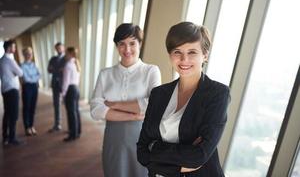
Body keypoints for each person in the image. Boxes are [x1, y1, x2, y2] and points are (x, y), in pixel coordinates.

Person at [137, 22, 230, 176]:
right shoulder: (159, 94)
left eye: (192, 52)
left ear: (205, 55)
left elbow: (199, 156)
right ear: (170, 55)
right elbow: (141, 151)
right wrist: (181, 158)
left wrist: (155, 148)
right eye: (177, 51)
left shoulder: (217, 94)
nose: (184, 59)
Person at [90, 23, 161, 177]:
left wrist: (114, 105)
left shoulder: (151, 71)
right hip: (113, 138)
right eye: (122, 44)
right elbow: (95, 110)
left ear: (140, 44)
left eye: (132, 43)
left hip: (143, 138)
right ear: (116, 46)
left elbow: (154, 105)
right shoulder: (105, 74)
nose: (127, 49)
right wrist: (133, 114)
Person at [0, 40, 24, 146]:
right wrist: (15, 73)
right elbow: (20, 72)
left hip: (5, 89)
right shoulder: (10, 60)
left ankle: (5, 137)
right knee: (13, 114)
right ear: (9, 48)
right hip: (12, 89)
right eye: (14, 47)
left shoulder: (1, 60)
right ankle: (12, 138)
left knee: (7, 113)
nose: (15, 48)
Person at [62, 47, 81, 142]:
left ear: (70, 54)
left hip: (70, 90)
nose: (65, 55)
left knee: (71, 113)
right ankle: (77, 131)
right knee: (76, 111)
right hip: (76, 89)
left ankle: (72, 134)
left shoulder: (68, 65)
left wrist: (63, 94)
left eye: (66, 53)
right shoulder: (76, 63)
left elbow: (66, 82)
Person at [20, 47, 40, 136]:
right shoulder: (22, 66)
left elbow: (39, 75)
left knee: (33, 107)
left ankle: (32, 126)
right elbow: (25, 78)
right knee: (26, 107)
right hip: (27, 87)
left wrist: (32, 78)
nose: (29, 55)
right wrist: (33, 77)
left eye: (30, 53)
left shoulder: (34, 65)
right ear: (24, 55)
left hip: (34, 87)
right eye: (27, 53)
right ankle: (27, 127)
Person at [47, 42, 65, 132]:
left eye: (60, 48)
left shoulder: (66, 59)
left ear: (63, 48)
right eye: (57, 48)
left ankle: (71, 127)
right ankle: (57, 124)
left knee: (69, 106)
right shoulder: (53, 59)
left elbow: (65, 70)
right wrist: (57, 69)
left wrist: (54, 69)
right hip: (55, 84)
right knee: (56, 105)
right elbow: (49, 70)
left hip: (65, 85)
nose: (59, 50)